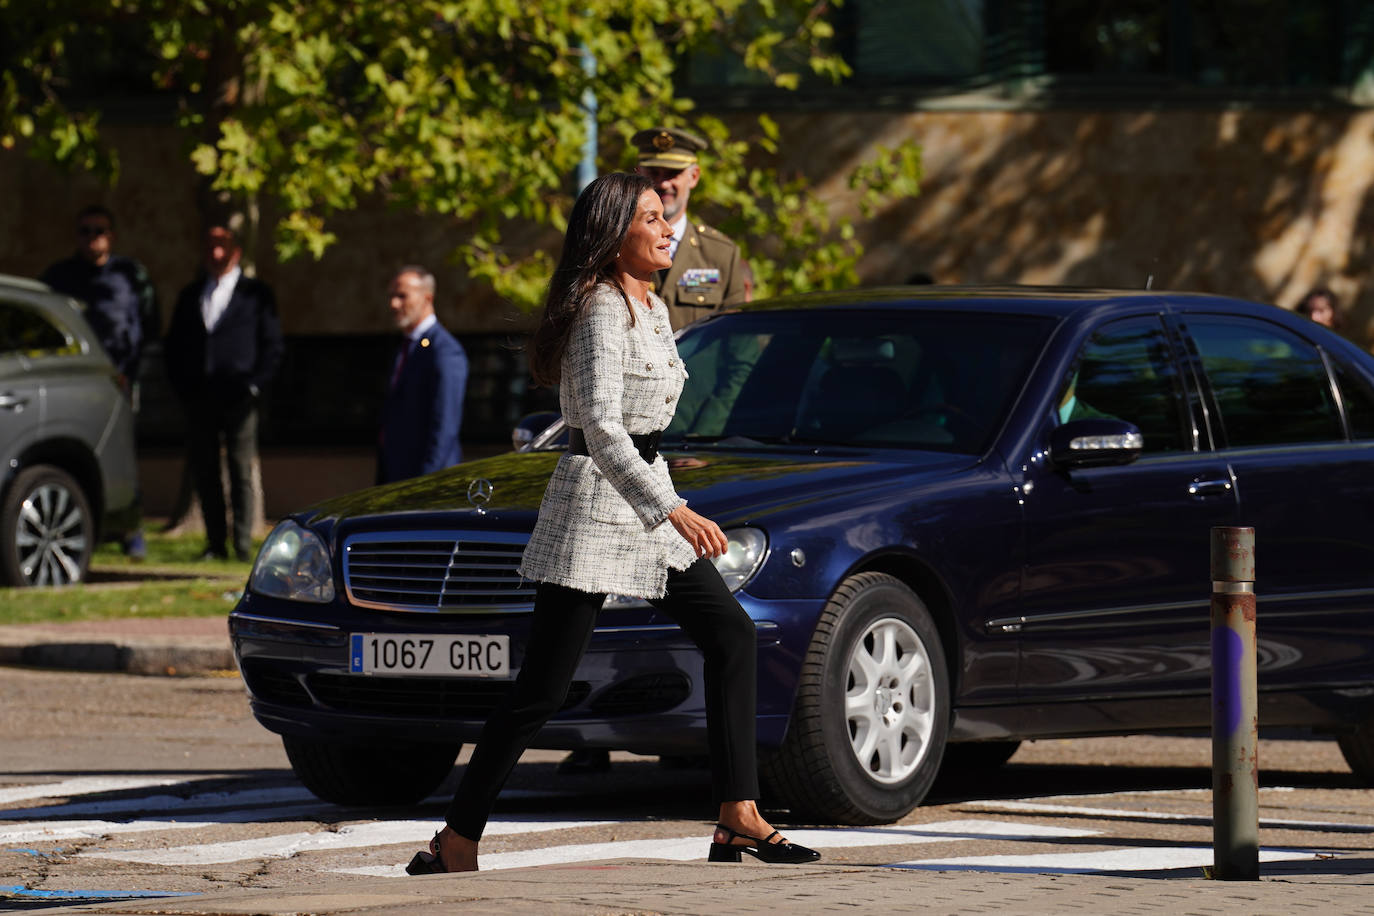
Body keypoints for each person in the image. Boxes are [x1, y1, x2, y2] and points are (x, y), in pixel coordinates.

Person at [405, 172, 820, 874]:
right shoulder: (599, 306)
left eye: (667, 218)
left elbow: (643, 417)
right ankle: (457, 839)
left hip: (648, 494)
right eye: (652, 219)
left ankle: (737, 815)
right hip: (598, 507)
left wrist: (668, 480)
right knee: (540, 691)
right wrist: (674, 509)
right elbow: (598, 425)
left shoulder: (653, 307)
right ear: (612, 234)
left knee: (732, 636)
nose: (667, 229)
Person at [42, 205, 157, 559]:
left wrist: (131, 372)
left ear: (112, 235)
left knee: (121, 454)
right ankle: (77, 527)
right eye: (86, 231)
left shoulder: (130, 276)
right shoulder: (59, 278)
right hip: (71, 382)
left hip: (118, 381)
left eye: (100, 230)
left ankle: (130, 529)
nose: (93, 238)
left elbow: (149, 326)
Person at [163, 223, 283, 562]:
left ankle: (242, 544)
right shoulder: (191, 294)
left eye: (223, 246)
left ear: (236, 251)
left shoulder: (256, 294)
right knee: (205, 470)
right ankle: (215, 543)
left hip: (240, 395)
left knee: (240, 468)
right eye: (210, 246)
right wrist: (183, 387)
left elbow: (272, 345)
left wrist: (256, 383)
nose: (216, 253)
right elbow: (175, 347)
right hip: (201, 396)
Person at [632, 126, 748, 331]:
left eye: (673, 173)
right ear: (638, 174)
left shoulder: (721, 254)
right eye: (654, 172)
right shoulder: (616, 246)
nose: (663, 183)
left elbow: (737, 341)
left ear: (694, 176)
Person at [376, 266, 469, 485]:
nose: (394, 304)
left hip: (427, 483)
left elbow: (444, 428)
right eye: (391, 296)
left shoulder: (445, 350)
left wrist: (424, 486)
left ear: (427, 297)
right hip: (395, 477)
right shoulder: (406, 347)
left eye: (402, 296)